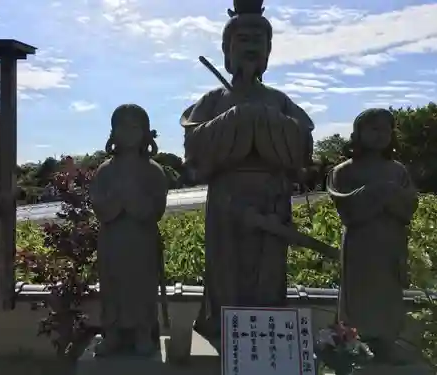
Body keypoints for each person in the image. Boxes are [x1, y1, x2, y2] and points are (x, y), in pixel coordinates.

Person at [179, 0, 315, 349]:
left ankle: (263, 339)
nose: (251, 45)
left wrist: (262, 120)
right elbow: (194, 146)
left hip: (271, 199)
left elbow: (302, 144)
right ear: (227, 48)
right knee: (226, 272)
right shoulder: (213, 100)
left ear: (269, 49)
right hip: (227, 199)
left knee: (268, 275)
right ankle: (222, 330)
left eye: (260, 39)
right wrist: (236, 121)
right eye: (242, 38)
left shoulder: (279, 101)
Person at [327, 108, 418, 362]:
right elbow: (347, 208)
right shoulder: (345, 171)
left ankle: (386, 341)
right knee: (357, 292)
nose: (380, 135)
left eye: (386, 130)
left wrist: (389, 195)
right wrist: (379, 193)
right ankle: (354, 342)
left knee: (389, 292)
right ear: (358, 133)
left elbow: (410, 204)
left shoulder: (398, 170)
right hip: (360, 244)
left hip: (391, 242)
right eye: (373, 129)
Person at [90, 104, 168, 356]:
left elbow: (157, 209)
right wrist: (117, 199)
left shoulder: (154, 170)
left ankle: (142, 332)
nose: (129, 132)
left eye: (136, 127)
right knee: (112, 286)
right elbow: (99, 206)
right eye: (123, 127)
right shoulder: (105, 170)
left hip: (141, 239)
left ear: (146, 132)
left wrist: (134, 201)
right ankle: (112, 333)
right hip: (112, 239)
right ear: (113, 132)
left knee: (142, 285)